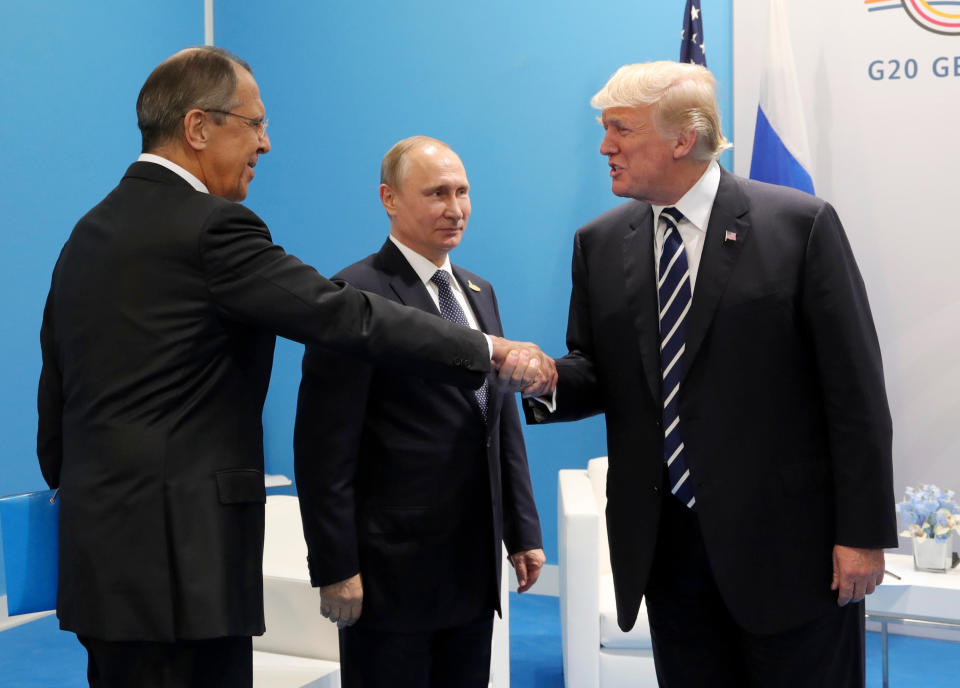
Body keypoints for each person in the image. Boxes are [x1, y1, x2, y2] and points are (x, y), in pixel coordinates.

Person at [36, 47, 551, 688]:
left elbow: (54, 392)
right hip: (184, 566)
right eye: (253, 124)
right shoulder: (212, 229)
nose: (266, 143)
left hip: (101, 555)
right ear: (199, 128)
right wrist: (486, 349)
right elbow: (341, 315)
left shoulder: (88, 232)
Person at [526, 61, 896, 686]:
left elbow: (855, 394)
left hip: (791, 554)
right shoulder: (599, 242)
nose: (604, 147)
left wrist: (862, 535)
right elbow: (599, 371)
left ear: (681, 138)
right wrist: (545, 379)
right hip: (669, 553)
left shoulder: (799, 227)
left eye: (621, 129)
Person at [294, 136, 546, 688]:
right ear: (389, 198)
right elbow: (323, 447)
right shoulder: (354, 294)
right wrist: (336, 566)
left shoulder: (480, 291)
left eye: (462, 192)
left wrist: (522, 529)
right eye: (436, 193)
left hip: (472, 570)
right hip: (390, 576)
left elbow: (497, 419)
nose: (455, 209)